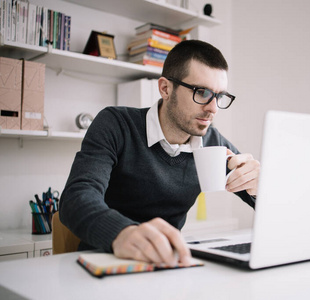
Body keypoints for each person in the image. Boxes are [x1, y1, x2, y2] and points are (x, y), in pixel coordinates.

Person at [60, 40, 260, 267]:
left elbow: (269, 202)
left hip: (167, 264)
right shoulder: (116, 124)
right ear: (165, 88)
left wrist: (260, 187)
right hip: (104, 260)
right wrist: (122, 233)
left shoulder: (213, 142)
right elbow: (75, 198)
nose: (213, 108)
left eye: (219, 96)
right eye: (202, 92)